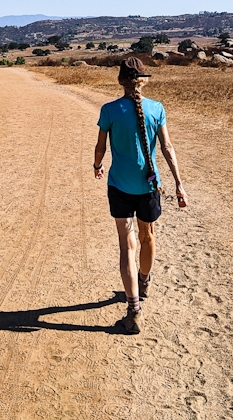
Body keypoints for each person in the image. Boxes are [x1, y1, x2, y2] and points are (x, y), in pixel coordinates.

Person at [93, 56, 187, 334]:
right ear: (143, 81)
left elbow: (100, 148)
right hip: (149, 186)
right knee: (148, 237)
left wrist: (97, 166)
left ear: (120, 81)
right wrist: (179, 184)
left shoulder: (109, 110)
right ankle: (144, 281)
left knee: (127, 246)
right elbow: (168, 148)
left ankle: (133, 310)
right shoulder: (156, 108)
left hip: (120, 186)